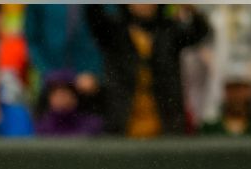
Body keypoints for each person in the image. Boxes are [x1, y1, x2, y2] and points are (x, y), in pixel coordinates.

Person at [86, 4, 209, 137]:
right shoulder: (115, 30)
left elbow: (199, 32)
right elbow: (93, 15)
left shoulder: (169, 30)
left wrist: (192, 10)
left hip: (165, 121)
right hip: (122, 120)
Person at [34, 68, 104, 137]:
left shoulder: (92, 126)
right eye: (55, 92)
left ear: (76, 97)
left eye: (65, 92)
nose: (60, 97)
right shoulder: (40, 128)